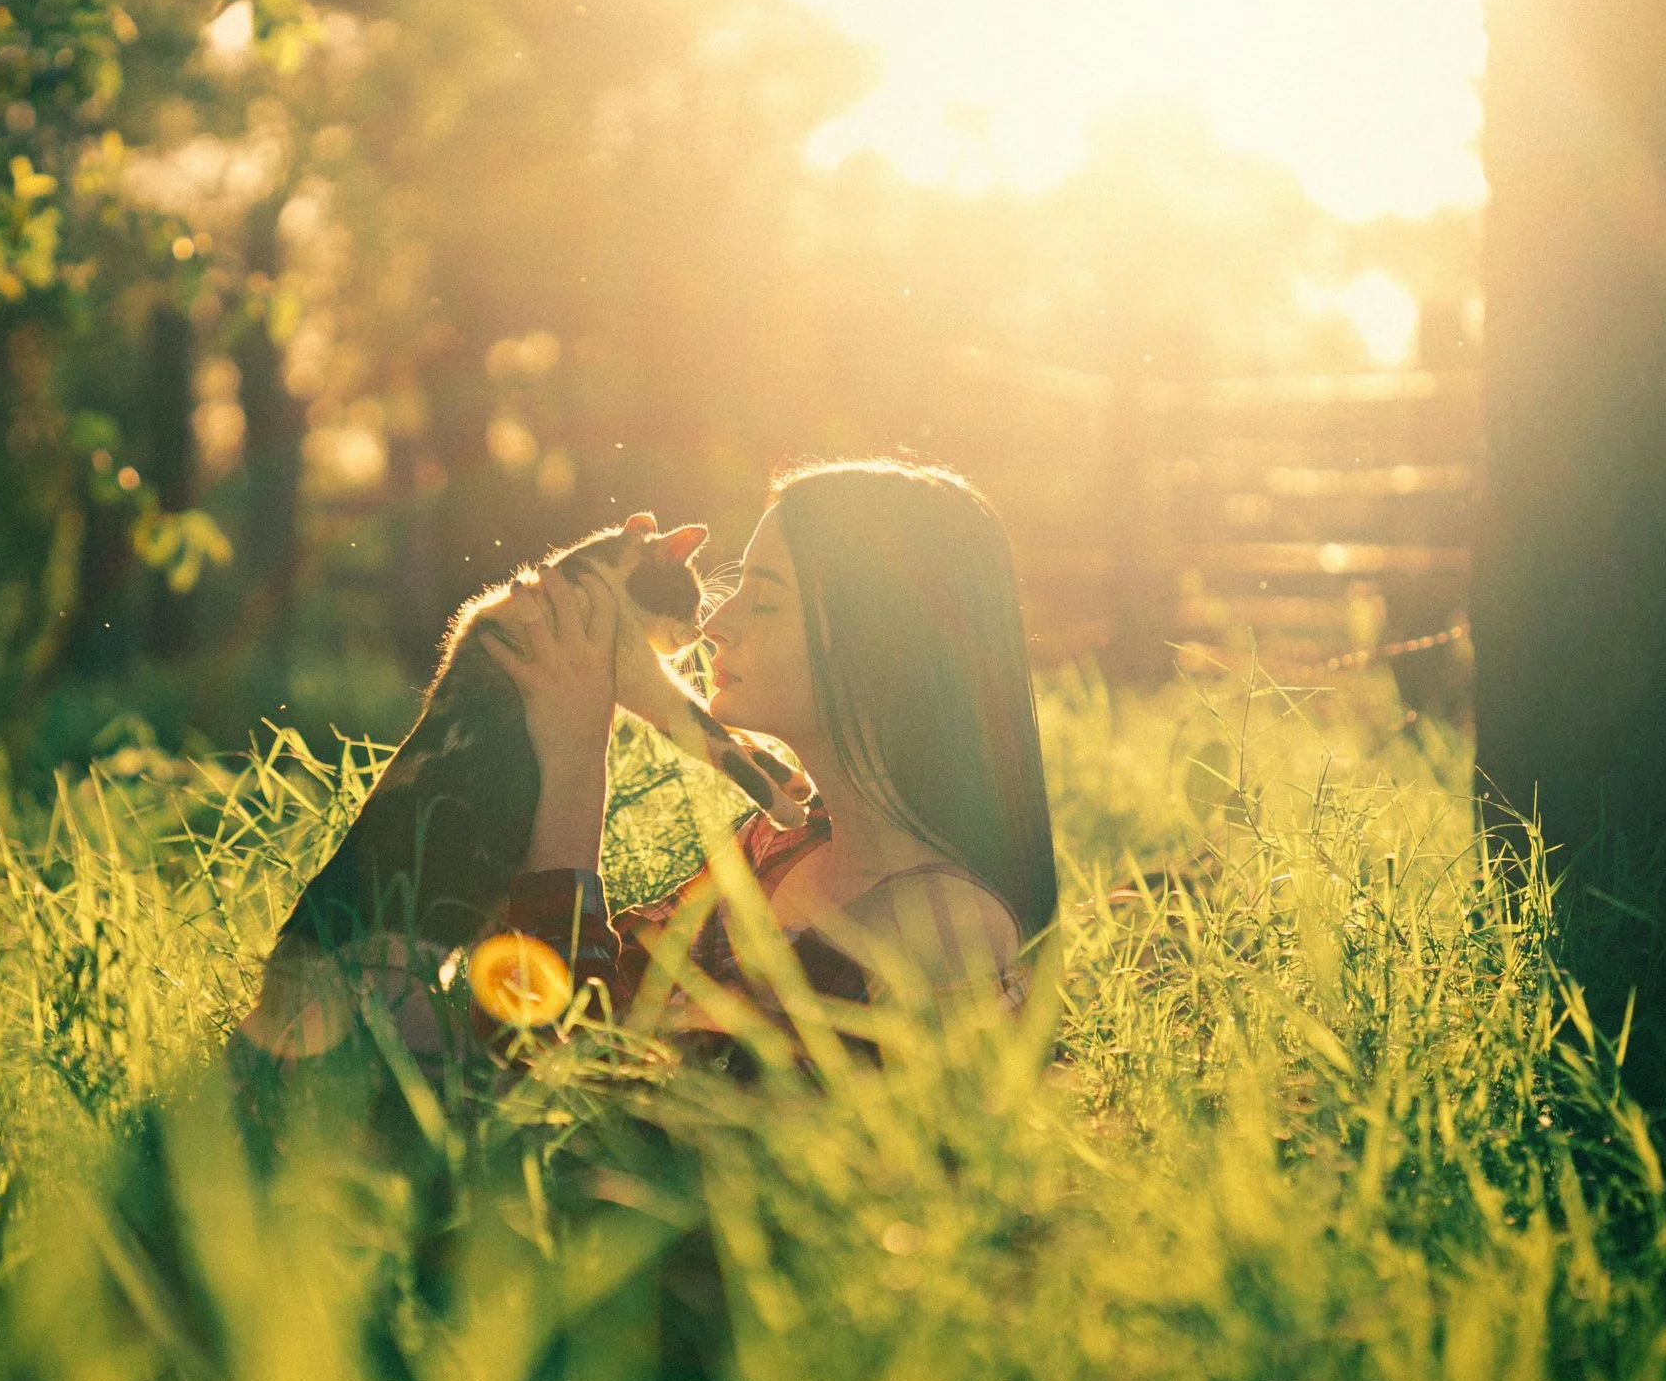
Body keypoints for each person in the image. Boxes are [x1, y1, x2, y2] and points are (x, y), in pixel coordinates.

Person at [236, 457, 1056, 1067]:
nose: (718, 624)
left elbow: (593, 1103)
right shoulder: (778, 847)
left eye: (765, 598)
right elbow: (602, 1001)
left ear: (879, 646)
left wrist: (571, 766)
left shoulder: (934, 927)